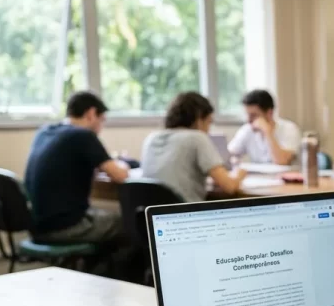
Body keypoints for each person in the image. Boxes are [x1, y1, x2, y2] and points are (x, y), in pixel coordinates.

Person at [24, 91, 130, 244]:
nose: (101, 128)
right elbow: (120, 176)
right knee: (132, 223)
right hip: (65, 227)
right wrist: (124, 163)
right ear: (91, 114)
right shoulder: (83, 135)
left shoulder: (44, 132)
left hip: (37, 227)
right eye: (101, 120)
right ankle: (105, 268)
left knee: (105, 217)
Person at [141, 92, 247, 203]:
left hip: (152, 216)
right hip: (186, 214)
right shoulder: (197, 137)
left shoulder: (151, 138)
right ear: (199, 119)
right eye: (209, 122)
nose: (208, 130)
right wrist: (239, 173)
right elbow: (229, 186)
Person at [227, 89, 301, 165]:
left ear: (269, 113)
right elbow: (228, 155)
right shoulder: (247, 130)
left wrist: (267, 131)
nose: (248, 120)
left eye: (253, 115)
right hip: (258, 176)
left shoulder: (289, 129)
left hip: (282, 176)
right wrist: (233, 159)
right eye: (247, 114)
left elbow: (281, 161)